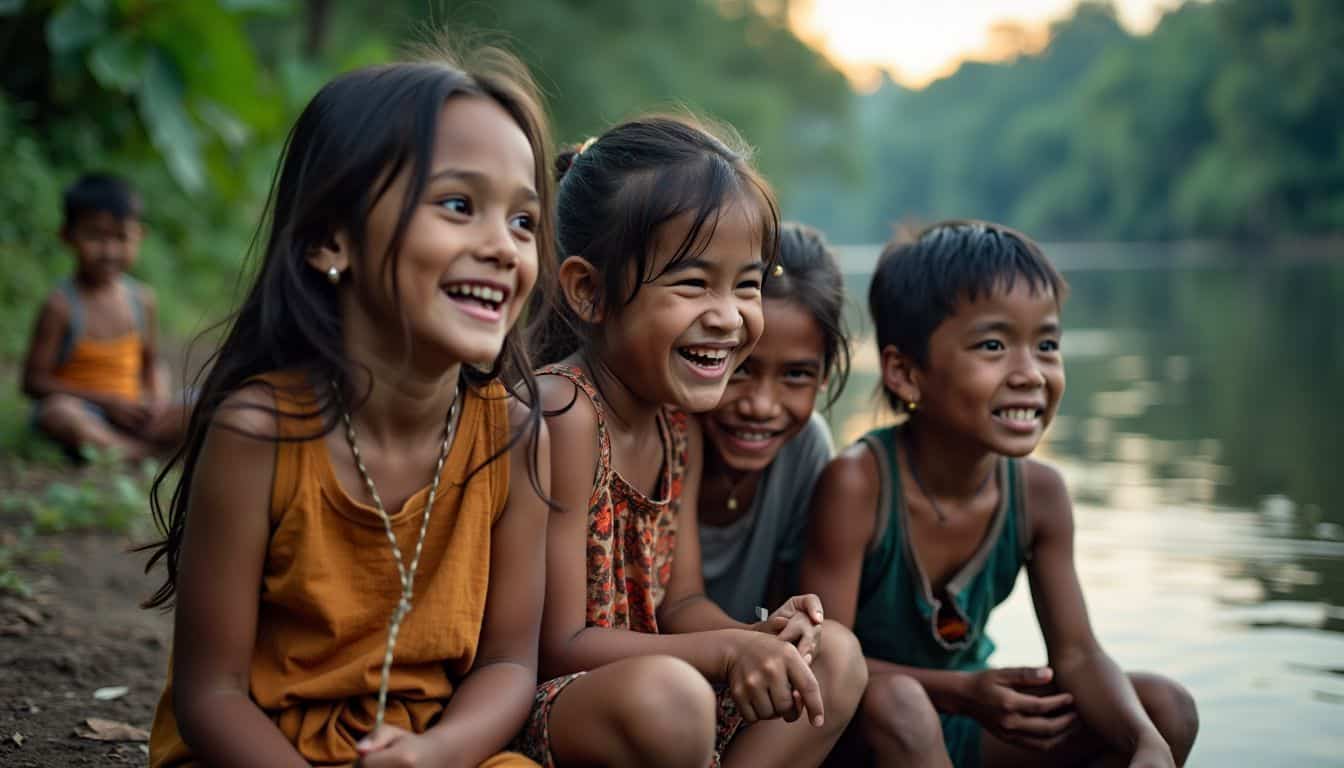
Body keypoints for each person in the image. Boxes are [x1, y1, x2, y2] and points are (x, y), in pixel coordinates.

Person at [140, 48, 555, 768]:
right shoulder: (260, 432)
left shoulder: (514, 434)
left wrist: (436, 754)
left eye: (524, 221)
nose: (502, 247)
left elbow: (509, 666)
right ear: (335, 238)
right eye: (459, 206)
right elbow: (212, 696)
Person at [518, 117, 867, 768]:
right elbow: (557, 643)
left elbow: (679, 603)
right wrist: (727, 653)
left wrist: (758, 637)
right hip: (556, 703)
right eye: (693, 283)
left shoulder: (678, 423)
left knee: (836, 657)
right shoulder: (562, 413)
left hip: (660, 686)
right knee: (673, 694)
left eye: (747, 284)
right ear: (590, 292)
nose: (730, 315)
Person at [801, 220, 1199, 767]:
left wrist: (1146, 743)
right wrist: (961, 691)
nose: (1030, 373)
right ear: (905, 373)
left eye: (1047, 345)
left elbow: (1078, 655)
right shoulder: (858, 485)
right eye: (993, 345)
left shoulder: (1041, 493)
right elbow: (824, 662)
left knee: (1164, 709)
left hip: (975, 720)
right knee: (901, 703)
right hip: (861, 733)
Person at [697, 222, 849, 623]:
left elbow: (796, 606)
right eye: (741, 368)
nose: (761, 406)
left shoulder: (806, 447)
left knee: (837, 649)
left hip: (748, 665)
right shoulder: (665, 439)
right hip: (651, 672)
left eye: (796, 375)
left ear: (825, 376)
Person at [21, 173, 185, 461]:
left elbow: (152, 363)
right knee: (57, 412)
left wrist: (156, 399)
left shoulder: (142, 300)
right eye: (95, 236)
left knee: (205, 403)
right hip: (87, 410)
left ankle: (128, 443)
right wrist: (106, 403)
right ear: (67, 236)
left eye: (121, 237)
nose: (109, 251)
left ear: (139, 236)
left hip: (134, 412)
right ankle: (136, 451)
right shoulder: (61, 306)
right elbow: (34, 382)